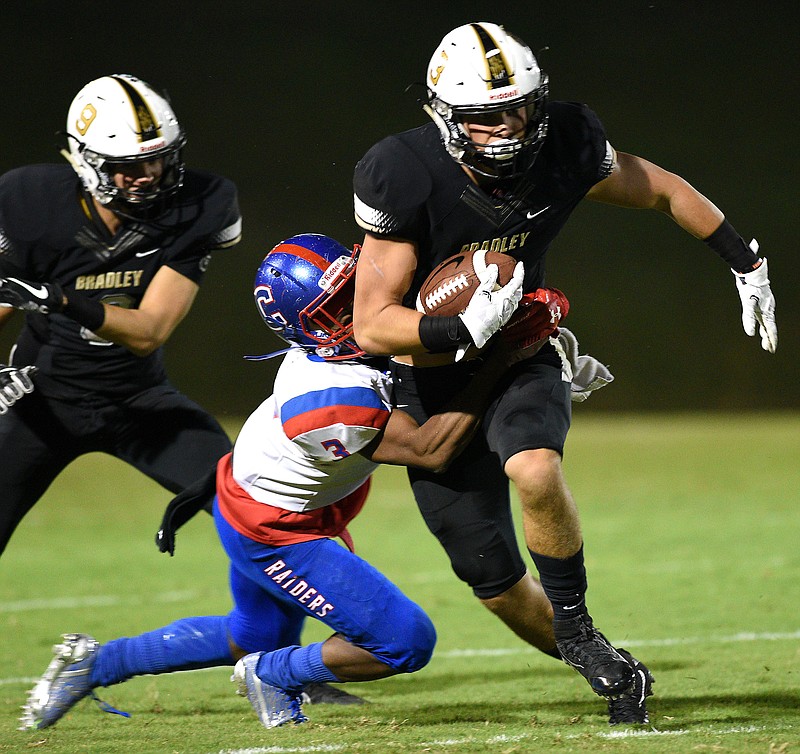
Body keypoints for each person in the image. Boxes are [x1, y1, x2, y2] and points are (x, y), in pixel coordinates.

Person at [351, 21, 777, 725]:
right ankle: (593, 653)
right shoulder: (403, 170)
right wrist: (456, 328)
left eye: (519, 108)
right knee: (495, 586)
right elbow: (373, 322)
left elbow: (660, 188)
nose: (508, 128)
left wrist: (742, 257)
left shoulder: (566, 140)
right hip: (427, 378)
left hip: (520, 350)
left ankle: (577, 627)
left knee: (534, 468)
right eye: (486, 117)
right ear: (445, 116)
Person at [19, 233, 562, 732]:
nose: (361, 305)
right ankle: (275, 674)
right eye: (340, 304)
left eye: (356, 287)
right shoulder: (329, 397)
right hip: (275, 528)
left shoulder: (343, 352)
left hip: (255, 497)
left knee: (249, 635)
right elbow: (431, 450)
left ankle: (95, 661)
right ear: (313, 326)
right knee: (403, 641)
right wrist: (504, 355)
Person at [0, 73, 241, 557]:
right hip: (39, 397)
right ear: (85, 163)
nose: (147, 174)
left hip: (139, 401)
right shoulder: (31, 201)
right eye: (127, 166)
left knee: (257, 512)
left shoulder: (200, 203)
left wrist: (62, 299)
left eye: (156, 158)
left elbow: (149, 331)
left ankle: (333, 628)